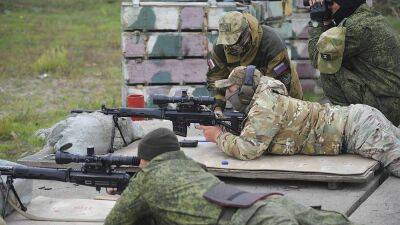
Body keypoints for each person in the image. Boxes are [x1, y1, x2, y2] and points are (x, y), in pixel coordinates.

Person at [104, 128, 355, 225]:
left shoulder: (146, 177)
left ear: (145, 160)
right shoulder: (192, 166)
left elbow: (116, 222)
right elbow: (185, 193)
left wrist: (132, 193)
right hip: (267, 202)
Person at [196, 66, 400, 177]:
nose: (228, 95)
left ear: (246, 90)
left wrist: (218, 136)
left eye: (231, 90)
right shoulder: (267, 96)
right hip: (358, 120)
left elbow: (248, 149)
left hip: (357, 130)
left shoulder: (266, 105)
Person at [307, 0, 400, 126]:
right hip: (391, 102)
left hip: (385, 109)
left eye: (329, 4)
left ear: (344, 4)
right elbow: (332, 43)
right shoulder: (371, 18)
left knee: (329, 69)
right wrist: (328, 21)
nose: (328, 8)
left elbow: (318, 58)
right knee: (334, 60)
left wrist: (316, 22)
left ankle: (350, 126)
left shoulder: (356, 27)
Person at [206, 11, 303, 115]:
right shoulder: (220, 47)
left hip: (285, 99)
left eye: (234, 43)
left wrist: (256, 113)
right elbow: (215, 80)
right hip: (245, 100)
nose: (230, 48)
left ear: (246, 34)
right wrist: (217, 107)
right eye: (227, 43)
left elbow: (280, 85)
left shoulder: (271, 43)